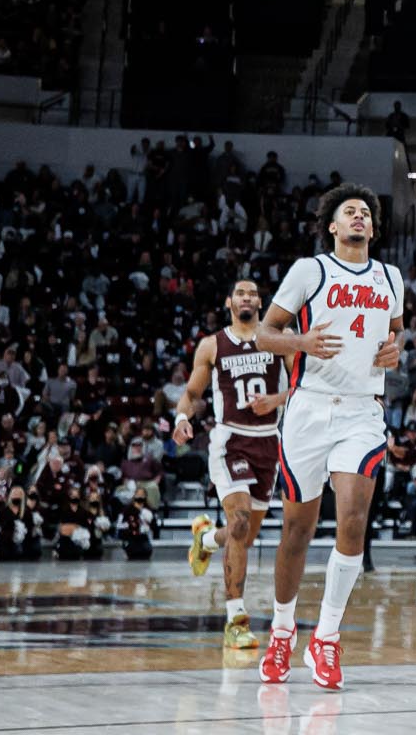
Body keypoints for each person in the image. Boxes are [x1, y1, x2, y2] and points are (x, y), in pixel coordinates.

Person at [254, 185, 404, 690]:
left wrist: (395, 349)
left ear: (372, 228)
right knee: (297, 529)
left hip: (362, 411)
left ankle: (328, 636)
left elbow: (395, 332)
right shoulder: (309, 270)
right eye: (349, 212)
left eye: (365, 212)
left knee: (354, 519)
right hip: (309, 409)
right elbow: (264, 334)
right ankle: (280, 631)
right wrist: (301, 341)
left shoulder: (391, 277)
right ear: (333, 227)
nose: (359, 217)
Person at [176, 278, 289, 649]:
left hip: (269, 443)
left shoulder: (278, 338)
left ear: (261, 302)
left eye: (253, 293)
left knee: (244, 535)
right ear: (229, 302)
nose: (247, 297)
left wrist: (278, 399)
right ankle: (236, 620)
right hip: (230, 441)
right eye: (240, 292)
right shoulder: (212, 344)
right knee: (239, 523)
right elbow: (192, 392)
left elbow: (305, 384)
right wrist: (182, 419)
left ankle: (206, 539)